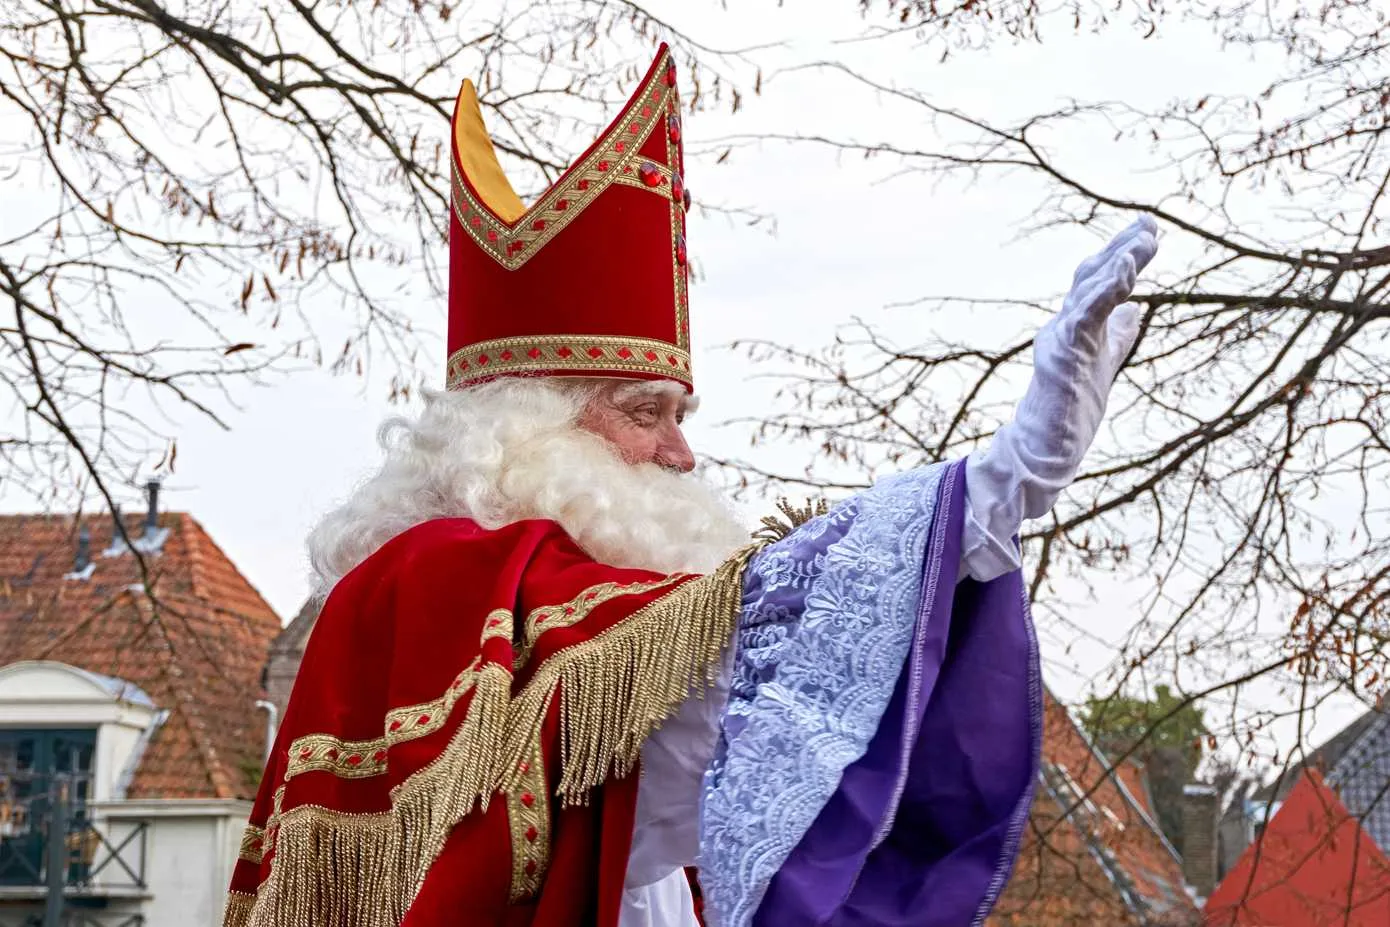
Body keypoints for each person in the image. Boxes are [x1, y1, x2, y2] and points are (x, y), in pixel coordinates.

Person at [223, 44, 1158, 927]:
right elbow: (731, 673)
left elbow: (749, 735)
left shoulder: (591, 632)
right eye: (645, 411)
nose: (680, 456)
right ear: (521, 432)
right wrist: (998, 485)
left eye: (683, 415)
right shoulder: (440, 579)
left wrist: (990, 508)